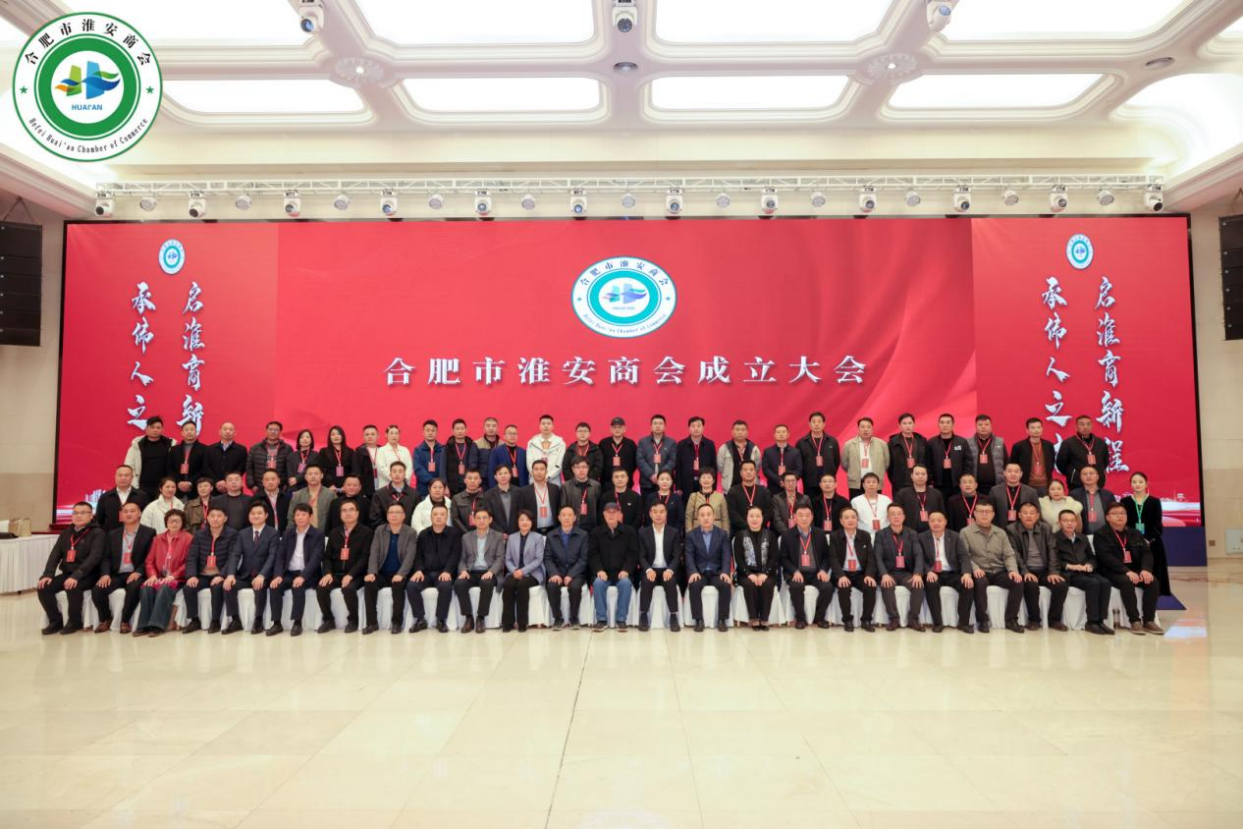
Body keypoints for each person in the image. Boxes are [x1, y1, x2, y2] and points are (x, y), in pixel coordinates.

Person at [1093, 503, 1163, 635]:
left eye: (1122, 513)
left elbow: (1146, 553)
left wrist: (1146, 569)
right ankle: (1134, 621)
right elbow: (1105, 557)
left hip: (1134, 570)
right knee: (1126, 581)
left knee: (1152, 581)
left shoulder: (1135, 533)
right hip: (1112, 571)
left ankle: (1149, 620)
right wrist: (1126, 571)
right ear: (1107, 517)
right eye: (1115, 513)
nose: (1119, 516)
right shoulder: (1101, 534)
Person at [37, 501, 106, 635]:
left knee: (73, 586)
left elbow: (94, 558)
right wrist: (48, 574)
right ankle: (55, 620)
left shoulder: (98, 533)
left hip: (89, 574)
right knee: (43, 586)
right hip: (68, 573)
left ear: (91, 516)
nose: (78, 516)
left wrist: (76, 576)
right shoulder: (66, 533)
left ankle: (75, 621)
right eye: (75, 513)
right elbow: (55, 555)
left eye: (83, 513)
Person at [959, 502, 1025, 634]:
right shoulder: (965, 532)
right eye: (981, 511)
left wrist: (1013, 570)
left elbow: (1009, 554)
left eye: (988, 511)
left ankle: (1011, 619)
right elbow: (964, 556)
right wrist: (975, 568)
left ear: (993, 515)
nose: (984, 514)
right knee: (980, 582)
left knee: (1017, 582)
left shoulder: (1000, 533)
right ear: (975, 514)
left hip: (998, 571)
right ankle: (982, 620)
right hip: (980, 571)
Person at [91, 502, 156, 634]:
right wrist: (105, 574)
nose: (129, 514)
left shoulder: (149, 533)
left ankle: (125, 621)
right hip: (117, 573)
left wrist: (138, 572)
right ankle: (106, 619)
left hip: (136, 573)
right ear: (121, 515)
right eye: (125, 511)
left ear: (139, 513)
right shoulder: (112, 534)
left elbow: (150, 557)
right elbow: (106, 557)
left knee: (133, 588)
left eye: (132, 511)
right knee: (98, 589)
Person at [1007, 502, 1069, 631]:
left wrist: (1053, 572)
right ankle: (1034, 620)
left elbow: (1053, 550)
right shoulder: (1011, 529)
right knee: (1031, 585)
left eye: (1032, 513)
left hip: (1045, 570)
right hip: (1026, 570)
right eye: (1025, 513)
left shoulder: (1045, 528)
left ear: (1037, 515)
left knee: (1061, 585)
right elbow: (1014, 553)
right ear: (1019, 515)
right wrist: (1025, 572)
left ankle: (1054, 620)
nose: (1028, 516)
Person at [1053, 509, 1115, 635]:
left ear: (1076, 522)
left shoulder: (1082, 537)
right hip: (1069, 573)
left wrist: (1090, 565)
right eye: (1065, 521)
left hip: (1086, 571)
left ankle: (1101, 621)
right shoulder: (1054, 538)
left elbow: (1092, 556)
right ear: (1059, 522)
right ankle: (1091, 622)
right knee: (1093, 584)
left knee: (1105, 583)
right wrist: (1071, 566)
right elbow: (1053, 560)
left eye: (1072, 521)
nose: (1069, 523)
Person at [267, 503, 325, 637]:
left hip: (309, 574)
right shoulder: (288, 533)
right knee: (275, 586)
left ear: (310, 517)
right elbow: (280, 556)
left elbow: (316, 559)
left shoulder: (318, 534)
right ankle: (276, 623)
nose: (300, 517)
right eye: (297, 514)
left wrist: (303, 576)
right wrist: (278, 575)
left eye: (304, 514)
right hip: (289, 573)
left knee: (297, 586)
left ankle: (297, 623)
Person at [316, 499, 372, 634]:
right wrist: (328, 573)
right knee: (321, 587)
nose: (348, 513)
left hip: (357, 574)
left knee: (348, 589)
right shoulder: (334, 533)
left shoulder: (366, 532)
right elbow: (327, 557)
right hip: (336, 573)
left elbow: (364, 558)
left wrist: (351, 575)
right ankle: (328, 620)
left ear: (357, 513)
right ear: (340, 515)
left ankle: (353, 620)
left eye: (351, 510)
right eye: (344, 511)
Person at [133, 509, 192, 637]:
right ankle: (143, 626)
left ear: (182, 523)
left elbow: (189, 562)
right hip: (159, 577)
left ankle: (157, 625)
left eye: (177, 521)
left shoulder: (188, 538)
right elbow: (149, 561)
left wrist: (173, 576)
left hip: (178, 579)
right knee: (146, 588)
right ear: (166, 523)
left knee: (165, 588)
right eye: (171, 521)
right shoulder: (157, 539)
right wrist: (153, 576)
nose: (174, 523)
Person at [182, 505, 239, 634]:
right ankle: (194, 620)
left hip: (220, 574)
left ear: (225, 518)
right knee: (188, 587)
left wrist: (222, 575)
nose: (215, 519)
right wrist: (191, 575)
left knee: (217, 587)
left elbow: (232, 557)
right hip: (203, 575)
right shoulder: (199, 535)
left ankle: (215, 621)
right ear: (207, 518)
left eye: (219, 516)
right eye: (212, 516)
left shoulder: (232, 534)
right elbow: (192, 557)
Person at [407, 504, 462, 633]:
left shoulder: (454, 534)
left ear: (447, 517)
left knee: (445, 586)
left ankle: (441, 620)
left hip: (444, 573)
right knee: (411, 585)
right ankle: (420, 619)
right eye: (435, 514)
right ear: (431, 517)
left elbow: (455, 555)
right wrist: (418, 570)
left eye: (442, 514)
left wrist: (447, 571)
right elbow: (418, 555)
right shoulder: (423, 534)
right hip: (425, 573)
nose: (438, 517)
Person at [363, 502, 417, 634]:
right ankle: (372, 623)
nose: (394, 515)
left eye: (397, 512)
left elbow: (410, 556)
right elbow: (374, 553)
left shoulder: (410, 532)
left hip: (400, 573)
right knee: (369, 583)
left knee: (398, 586)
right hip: (382, 573)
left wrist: (401, 574)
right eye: (391, 512)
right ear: (387, 516)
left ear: (404, 516)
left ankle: (397, 623)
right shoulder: (380, 530)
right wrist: (372, 572)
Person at [224, 502, 277, 635]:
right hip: (245, 575)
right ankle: (235, 620)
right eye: (252, 513)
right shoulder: (242, 533)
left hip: (264, 575)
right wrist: (230, 575)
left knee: (259, 587)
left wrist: (262, 575)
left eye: (259, 513)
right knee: (228, 585)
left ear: (266, 515)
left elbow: (272, 557)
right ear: (248, 516)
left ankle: (258, 620)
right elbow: (235, 555)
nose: (256, 516)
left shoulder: (272, 533)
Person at [919, 510, 975, 634]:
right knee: (930, 584)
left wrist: (966, 574)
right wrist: (928, 571)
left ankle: (963, 623)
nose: (936, 523)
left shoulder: (955, 536)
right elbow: (919, 558)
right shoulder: (922, 537)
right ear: (928, 523)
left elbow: (964, 557)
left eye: (939, 520)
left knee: (968, 585)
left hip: (952, 572)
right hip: (933, 573)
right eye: (932, 521)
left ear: (945, 522)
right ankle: (937, 623)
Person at [588, 502, 640, 631]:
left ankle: (621, 620)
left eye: (614, 512)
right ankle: (601, 620)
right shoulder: (596, 532)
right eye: (608, 512)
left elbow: (633, 554)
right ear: (604, 514)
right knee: (598, 583)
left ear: (619, 514)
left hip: (622, 573)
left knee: (625, 583)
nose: (611, 515)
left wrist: (626, 570)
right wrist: (599, 570)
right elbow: (593, 554)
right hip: (603, 573)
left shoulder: (629, 532)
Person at [874, 505, 925, 631]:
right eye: (893, 514)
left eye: (899, 514)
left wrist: (917, 573)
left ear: (904, 517)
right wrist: (884, 574)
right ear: (888, 517)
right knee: (887, 585)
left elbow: (918, 554)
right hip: (889, 572)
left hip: (906, 572)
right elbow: (877, 556)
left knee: (918, 585)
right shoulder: (881, 534)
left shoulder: (912, 533)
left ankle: (913, 619)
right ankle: (893, 619)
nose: (896, 517)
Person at [781, 504, 833, 630]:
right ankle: (800, 618)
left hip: (816, 573)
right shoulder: (787, 535)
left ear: (812, 517)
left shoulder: (820, 533)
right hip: (797, 572)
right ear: (794, 517)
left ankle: (819, 617)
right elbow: (783, 558)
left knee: (828, 587)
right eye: (800, 515)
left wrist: (823, 570)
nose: (804, 518)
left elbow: (827, 556)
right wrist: (794, 571)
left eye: (807, 515)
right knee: (796, 586)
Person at [455, 507, 505, 633]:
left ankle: (481, 618)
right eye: (478, 518)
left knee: (486, 583)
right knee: (459, 583)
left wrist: (491, 572)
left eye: (484, 518)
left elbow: (500, 558)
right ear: (474, 520)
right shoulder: (466, 537)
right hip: (472, 571)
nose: (481, 521)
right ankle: (468, 618)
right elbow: (462, 559)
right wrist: (463, 571)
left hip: (489, 571)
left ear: (490, 520)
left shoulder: (498, 536)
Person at [1121, 471, 1171, 596]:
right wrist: (1134, 540)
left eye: (1140, 482)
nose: (1137, 484)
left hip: (1152, 543)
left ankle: (1154, 599)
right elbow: (1124, 523)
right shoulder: (1125, 501)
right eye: (1134, 482)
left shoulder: (1154, 501)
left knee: (1154, 573)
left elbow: (1157, 525)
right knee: (1134, 575)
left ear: (1146, 484)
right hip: (1131, 544)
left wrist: (1147, 539)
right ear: (1130, 484)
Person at [685, 503, 732, 632]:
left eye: (708, 514)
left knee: (725, 585)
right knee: (694, 585)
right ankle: (698, 620)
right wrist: (693, 572)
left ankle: (722, 620)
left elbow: (726, 555)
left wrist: (725, 572)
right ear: (697, 518)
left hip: (717, 573)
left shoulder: (722, 534)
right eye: (702, 515)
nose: (706, 518)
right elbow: (689, 556)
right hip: (699, 573)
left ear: (714, 516)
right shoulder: (691, 535)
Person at [829, 508, 878, 632]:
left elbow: (871, 558)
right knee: (844, 587)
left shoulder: (865, 535)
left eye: (853, 517)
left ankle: (866, 620)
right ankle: (847, 620)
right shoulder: (835, 536)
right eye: (846, 518)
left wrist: (869, 575)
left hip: (861, 573)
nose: (850, 520)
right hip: (843, 572)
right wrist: (841, 576)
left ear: (857, 519)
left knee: (870, 586)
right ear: (841, 521)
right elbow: (833, 559)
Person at [638, 501, 683, 631]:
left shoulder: (673, 532)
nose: (658, 515)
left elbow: (677, 556)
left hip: (667, 569)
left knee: (670, 581)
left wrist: (670, 570)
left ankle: (673, 616)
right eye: (655, 512)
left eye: (661, 512)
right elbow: (641, 556)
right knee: (647, 582)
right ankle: (643, 615)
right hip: (650, 569)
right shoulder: (643, 532)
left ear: (666, 514)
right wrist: (648, 569)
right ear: (650, 514)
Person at [732, 505, 778, 630]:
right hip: (745, 573)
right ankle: (753, 618)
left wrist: (765, 573)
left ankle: (764, 618)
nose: (754, 519)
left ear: (762, 518)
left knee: (767, 584)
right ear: (746, 518)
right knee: (749, 584)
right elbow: (739, 559)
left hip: (767, 572)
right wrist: (749, 574)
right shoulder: (740, 535)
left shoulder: (770, 535)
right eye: (751, 516)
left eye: (758, 516)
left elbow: (774, 557)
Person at [500, 510, 545, 632]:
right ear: (518, 522)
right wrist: (515, 570)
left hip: (533, 573)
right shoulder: (512, 537)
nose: (525, 522)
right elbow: (507, 559)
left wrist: (523, 571)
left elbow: (538, 559)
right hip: (514, 572)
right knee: (508, 585)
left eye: (528, 520)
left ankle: (522, 622)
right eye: (522, 520)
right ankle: (507, 622)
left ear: (532, 522)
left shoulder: (538, 537)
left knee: (522, 585)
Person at [545, 504, 590, 629]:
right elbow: (548, 558)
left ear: (575, 518)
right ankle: (557, 618)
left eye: (570, 515)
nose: (566, 518)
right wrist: (554, 573)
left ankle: (574, 618)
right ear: (559, 518)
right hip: (557, 571)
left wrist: (571, 575)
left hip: (576, 573)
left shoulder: (583, 535)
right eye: (563, 515)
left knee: (575, 587)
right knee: (552, 586)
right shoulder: (551, 535)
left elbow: (583, 559)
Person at [125, 416, 174, 499]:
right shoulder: (136, 446)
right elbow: (129, 467)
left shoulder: (170, 445)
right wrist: (135, 486)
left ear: (162, 429)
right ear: (146, 428)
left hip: (163, 487)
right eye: (152, 427)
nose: (155, 430)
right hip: (142, 487)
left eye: (158, 428)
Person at [1056, 415, 1111, 489]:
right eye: (1082, 424)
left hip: (1098, 484)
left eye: (1088, 424)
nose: (1085, 427)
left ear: (1091, 426)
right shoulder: (1068, 443)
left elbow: (1105, 462)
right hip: (1076, 484)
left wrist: (1099, 473)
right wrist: (1072, 474)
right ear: (1076, 427)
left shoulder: (1101, 443)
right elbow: (1061, 463)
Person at [796, 411, 841, 499]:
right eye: (814, 422)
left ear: (824, 424)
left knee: (829, 504)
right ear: (809, 424)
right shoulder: (801, 443)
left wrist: (830, 474)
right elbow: (799, 463)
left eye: (819, 422)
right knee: (811, 505)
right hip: (809, 483)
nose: (816, 424)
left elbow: (836, 461)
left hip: (828, 482)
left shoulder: (832, 441)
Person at [927, 413, 972, 501]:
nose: (945, 425)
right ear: (938, 425)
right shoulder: (932, 442)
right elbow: (928, 463)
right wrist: (929, 482)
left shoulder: (962, 442)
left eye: (948, 422)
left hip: (957, 485)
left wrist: (964, 480)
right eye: (942, 422)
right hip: (938, 485)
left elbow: (968, 462)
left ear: (953, 425)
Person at [842, 417, 889, 499]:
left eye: (868, 427)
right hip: (856, 483)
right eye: (862, 427)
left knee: (874, 505)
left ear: (872, 429)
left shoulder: (882, 444)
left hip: (875, 482)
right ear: (858, 429)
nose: (865, 429)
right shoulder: (849, 444)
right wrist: (853, 473)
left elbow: (886, 463)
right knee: (855, 505)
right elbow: (844, 464)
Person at [96, 464, 150, 533]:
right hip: (110, 536)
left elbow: (146, 518)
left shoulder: (142, 496)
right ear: (115, 477)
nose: (123, 478)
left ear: (132, 477)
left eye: (126, 475)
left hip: (136, 535)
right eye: (120, 475)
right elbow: (99, 520)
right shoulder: (105, 497)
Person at [894, 464, 945, 534]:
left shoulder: (936, 494)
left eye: (923, 474)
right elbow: (898, 515)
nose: (920, 476)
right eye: (917, 474)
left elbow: (942, 514)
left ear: (927, 476)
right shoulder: (902, 494)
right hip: (909, 533)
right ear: (911, 476)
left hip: (932, 533)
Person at [1010, 417, 1057, 494]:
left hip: (1045, 485)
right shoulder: (1019, 446)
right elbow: (1013, 465)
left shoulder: (1049, 445)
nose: (1036, 430)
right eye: (1033, 428)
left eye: (1039, 427)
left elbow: (1052, 463)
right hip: (1026, 485)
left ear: (1042, 429)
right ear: (1027, 430)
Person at [726, 460, 772, 538]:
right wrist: (747, 526)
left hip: (761, 531)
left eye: (751, 469)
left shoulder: (764, 491)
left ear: (755, 472)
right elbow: (732, 513)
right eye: (745, 470)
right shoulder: (733, 491)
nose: (748, 472)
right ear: (740, 473)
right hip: (739, 532)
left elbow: (768, 511)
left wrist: (757, 525)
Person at [636, 414, 678, 499]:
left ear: (665, 426)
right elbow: (640, 460)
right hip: (647, 483)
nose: (658, 426)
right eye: (655, 423)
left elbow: (673, 460)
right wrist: (651, 475)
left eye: (660, 423)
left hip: (665, 483)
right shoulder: (642, 442)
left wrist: (660, 476)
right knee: (647, 506)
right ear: (651, 426)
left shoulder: (672, 443)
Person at [676, 416, 716, 502]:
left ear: (703, 428)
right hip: (686, 483)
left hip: (705, 483)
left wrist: (714, 486)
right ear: (689, 428)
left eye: (698, 426)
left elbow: (713, 467)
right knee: (688, 506)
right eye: (693, 426)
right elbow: (678, 467)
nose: (696, 428)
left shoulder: (710, 444)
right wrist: (678, 487)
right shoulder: (681, 445)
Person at [887, 413, 930, 494]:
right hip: (900, 484)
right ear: (899, 426)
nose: (907, 426)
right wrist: (895, 480)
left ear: (914, 424)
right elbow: (889, 465)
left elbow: (927, 461)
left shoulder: (922, 441)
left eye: (910, 423)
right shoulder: (892, 443)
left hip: (919, 483)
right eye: (904, 423)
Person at [287, 463, 336, 532]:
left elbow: (335, 518)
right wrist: (289, 534)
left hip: (323, 534)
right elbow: (291, 518)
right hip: (302, 534)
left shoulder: (330, 495)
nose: (313, 476)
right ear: (305, 477)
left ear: (321, 475)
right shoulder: (297, 495)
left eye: (316, 474)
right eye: (310, 474)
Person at [517, 459, 562, 534]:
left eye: (542, 469)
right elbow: (521, 512)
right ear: (532, 472)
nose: (539, 472)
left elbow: (559, 508)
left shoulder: (555, 489)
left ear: (546, 471)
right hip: (533, 530)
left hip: (553, 530)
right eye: (536, 469)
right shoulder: (524, 491)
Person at [988, 463, 1039, 529]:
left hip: (1024, 530)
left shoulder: (1031, 492)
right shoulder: (995, 491)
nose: (1013, 474)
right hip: (1001, 529)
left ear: (1021, 474)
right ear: (1004, 473)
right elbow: (990, 512)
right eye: (1010, 471)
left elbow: (1037, 513)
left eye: (1016, 471)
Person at [716, 419, 760, 492]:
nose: (740, 432)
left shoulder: (754, 449)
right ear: (732, 432)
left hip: (751, 488)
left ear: (747, 432)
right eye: (737, 430)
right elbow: (720, 467)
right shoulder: (724, 448)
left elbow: (757, 467)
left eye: (743, 430)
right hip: (730, 488)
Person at [246, 421, 291, 492]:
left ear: (280, 432)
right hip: (259, 487)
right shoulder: (255, 448)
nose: (273, 432)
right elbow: (249, 468)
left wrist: (286, 485)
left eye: (276, 430)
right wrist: (251, 485)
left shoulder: (287, 448)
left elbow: (290, 468)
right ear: (266, 431)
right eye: (270, 429)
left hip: (280, 487)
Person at [1070, 466, 1116, 535]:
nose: (1088, 476)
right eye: (1084, 474)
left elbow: (1114, 513)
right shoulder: (1074, 495)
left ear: (1097, 476)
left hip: (1106, 535)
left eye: (1091, 473)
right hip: (1083, 535)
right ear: (1080, 477)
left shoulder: (1108, 495)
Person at [370, 461, 418, 528]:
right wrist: (389, 529)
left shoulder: (414, 494)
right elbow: (375, 517)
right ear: (390, 474)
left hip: (408, 531)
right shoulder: (379, 494)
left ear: (405, 474)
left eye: (400, 471)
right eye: (394, 471)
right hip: (385, 531)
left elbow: (417, 517)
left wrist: (407, 530)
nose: (397, 474)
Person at [204, 421, 248, 493]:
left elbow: (241, 468)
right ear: (219, 432)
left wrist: (228, 482)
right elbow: (206, 467)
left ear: (235, 433)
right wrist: (217, 482)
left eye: (230, 429)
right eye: (225, 429)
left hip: (233, 487)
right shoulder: (210, 449)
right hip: (214, 487)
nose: (228, 432)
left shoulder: (241, 449)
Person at [442, 419, 482, 496]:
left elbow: (477, 466)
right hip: (452, 487)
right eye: (457, 429)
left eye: (462, 429)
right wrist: (445, 486)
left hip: (469, 485)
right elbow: (442, 469)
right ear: (452, 431)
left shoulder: (472, 446)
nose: (460, 431)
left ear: (466, 430)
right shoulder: (447, 448)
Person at [563, 456, 602, 533]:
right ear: (573, 469)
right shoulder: (566, 486)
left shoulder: (596, 486)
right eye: (577, 467)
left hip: (592, 527)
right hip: (573, 527)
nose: (581, 470)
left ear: (588, 468)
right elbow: (563, 508)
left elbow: (599, 508)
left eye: (584, 467)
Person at [762, 423, 803, 496]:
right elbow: (766, 470)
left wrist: (789, 481)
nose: (781, 434)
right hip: (773, 487)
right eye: (778, 432)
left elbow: (799, 469)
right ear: (774, 435)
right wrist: (779, 480)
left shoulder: (795, 452)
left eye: (783, 432)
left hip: (791, 487)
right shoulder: (768, 452)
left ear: (788, 435)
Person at [970, 415, 1007, 493]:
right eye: (980, 425)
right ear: (975, 426)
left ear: (991, 426)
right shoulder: (968, 443)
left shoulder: (1000, 442)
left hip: (997, 485)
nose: (983, 427)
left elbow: (1006, 463)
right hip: (975, 486)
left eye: (986, 424)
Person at [169, 420, 206, 497]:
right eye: (186, 430)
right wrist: (178, 482)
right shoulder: (174, 449)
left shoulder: (204, 449)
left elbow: (204, 468)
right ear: (182, 433)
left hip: (196, 489)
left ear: (196, 432)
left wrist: (190, 482)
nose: (189, 432)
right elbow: (169, 469)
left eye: (192, 429)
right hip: (177, 489)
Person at [685, 468, 728, 534]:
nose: (706, 480)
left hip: (717, 533)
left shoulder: (720, 497)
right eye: (703, 477)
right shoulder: (693, 496)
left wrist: (725, 535)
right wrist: (690, 534)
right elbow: (689, 518)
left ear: (713, 481)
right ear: (699, 480)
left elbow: (725, 518)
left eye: (709, 477)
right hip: (697, 532)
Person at [598, 416, 638, 488]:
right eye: (615, 427)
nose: (617, 430)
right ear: (610, 429)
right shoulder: (603, 443)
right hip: (606, 483)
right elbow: (599, 462)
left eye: (620, 427)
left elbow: (635, 463)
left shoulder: (631, 444)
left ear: (624, 429)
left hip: (626, 483)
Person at [850, 473, 893, 538]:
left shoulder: (886, 500)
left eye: (874, 482)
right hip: (863, 536)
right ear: (863, 485)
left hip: (884, 536)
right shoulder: (855, 501)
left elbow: (891, 517)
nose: (871, 484)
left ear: (878, 485)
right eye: (868, 482)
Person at [527, 414, 567, 484]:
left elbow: (559, 464)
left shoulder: (560, 443)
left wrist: (548, 476)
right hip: (535, 479)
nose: (546, 426)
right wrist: (537, 476)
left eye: (548, 424)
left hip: (554, 480)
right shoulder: (532, 443)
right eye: (543, 424)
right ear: (539, 426)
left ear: (553, 426)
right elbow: (529, 463)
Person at [412, 420, 446, 498]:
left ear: (436, 432)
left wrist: (439, 484)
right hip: (423, 490)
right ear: (423, 432)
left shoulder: (443, 449)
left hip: (440, 489)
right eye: (427, 430)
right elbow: (418, 469)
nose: (430, 433)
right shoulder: (418, 450)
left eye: (433, 430)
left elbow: (444, 469)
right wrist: (433, 482)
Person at [483, 464, 520, 536]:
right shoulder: (488, 495)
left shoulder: (519, 492)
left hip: (517, 533)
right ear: (495, 477)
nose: (503, 476)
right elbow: (488, 516)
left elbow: (522, 513)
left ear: (510, 475)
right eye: (500, 474)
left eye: (505, 473)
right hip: (496, 534)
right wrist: (501, 532)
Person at [375, 424, 413, 491]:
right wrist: (396, 479)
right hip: (386, 486)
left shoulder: (405, 450)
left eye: (396, 433)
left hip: (403, 485)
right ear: (386, 435)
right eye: (391, 433)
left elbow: (410, 467)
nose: (394, 435)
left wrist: (404, 479)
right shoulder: (381, 450)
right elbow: (382, 469)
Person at [318, 425, 356, 492]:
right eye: (333, 434)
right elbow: (320, 470)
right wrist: (329, 484)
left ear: (342, 436)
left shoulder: (351, 452)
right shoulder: (323, 452)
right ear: (330, 437)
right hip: (329, 488)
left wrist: (348, 484)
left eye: (338, 434)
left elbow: (353, 470)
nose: (336, 436)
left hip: (347, 488)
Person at [256, 469, 292, 534]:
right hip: (265, 536)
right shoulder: (256, 499)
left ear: (279, 480)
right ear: (263, 482)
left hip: (285, 535)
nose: (270, 482)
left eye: (273, 479)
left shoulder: (287, 498)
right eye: (267, 480)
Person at [354, 424, 383, 497]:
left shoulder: (383, 450)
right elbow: (356, 472)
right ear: (363, 437)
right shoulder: (358, 452)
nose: (370, 436)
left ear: (378, 436)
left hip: (383, 487)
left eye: (372, 434)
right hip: (366, 490)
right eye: (367, 434)